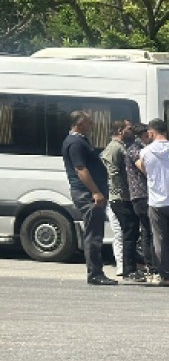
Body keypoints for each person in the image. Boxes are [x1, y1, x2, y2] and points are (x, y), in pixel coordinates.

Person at [62, 111, 117, 285]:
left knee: (96, 233)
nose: (91, 125)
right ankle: (95, 273)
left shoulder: (81, 140)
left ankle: (96, 271)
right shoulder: (75, 143)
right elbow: (81, 170)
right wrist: (95, 192)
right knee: (93, 234)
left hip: (90, 192)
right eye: (88, 122)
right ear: (79, 124)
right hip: (86, 194)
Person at [138, 119, 169, 287]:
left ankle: (165, 276)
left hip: (156, 201)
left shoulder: (145, 152)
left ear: (151, 133)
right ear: (166, 132)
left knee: (159, 240)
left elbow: (144, 170)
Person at [102, 119, 145, 282]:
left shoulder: (123, 147)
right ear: (120, 130)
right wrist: (124, 191)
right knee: (129, 231)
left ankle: (131, 267)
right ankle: (128, 269)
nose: (132, 131)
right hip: (120, 197)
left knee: (132, 231)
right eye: (129, 128)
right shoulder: (114, 148)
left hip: (125, 196)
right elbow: (113, 173)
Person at [125, 123, 156, 277]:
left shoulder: (137, 148)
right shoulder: (134, 149)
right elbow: (143, 167)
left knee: (147, 231)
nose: (148, 139)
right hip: (142, 195)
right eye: (146, 136)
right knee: (148, 231)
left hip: (143, 194)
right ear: (139, 136)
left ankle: (151, 264)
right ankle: (151, 265)